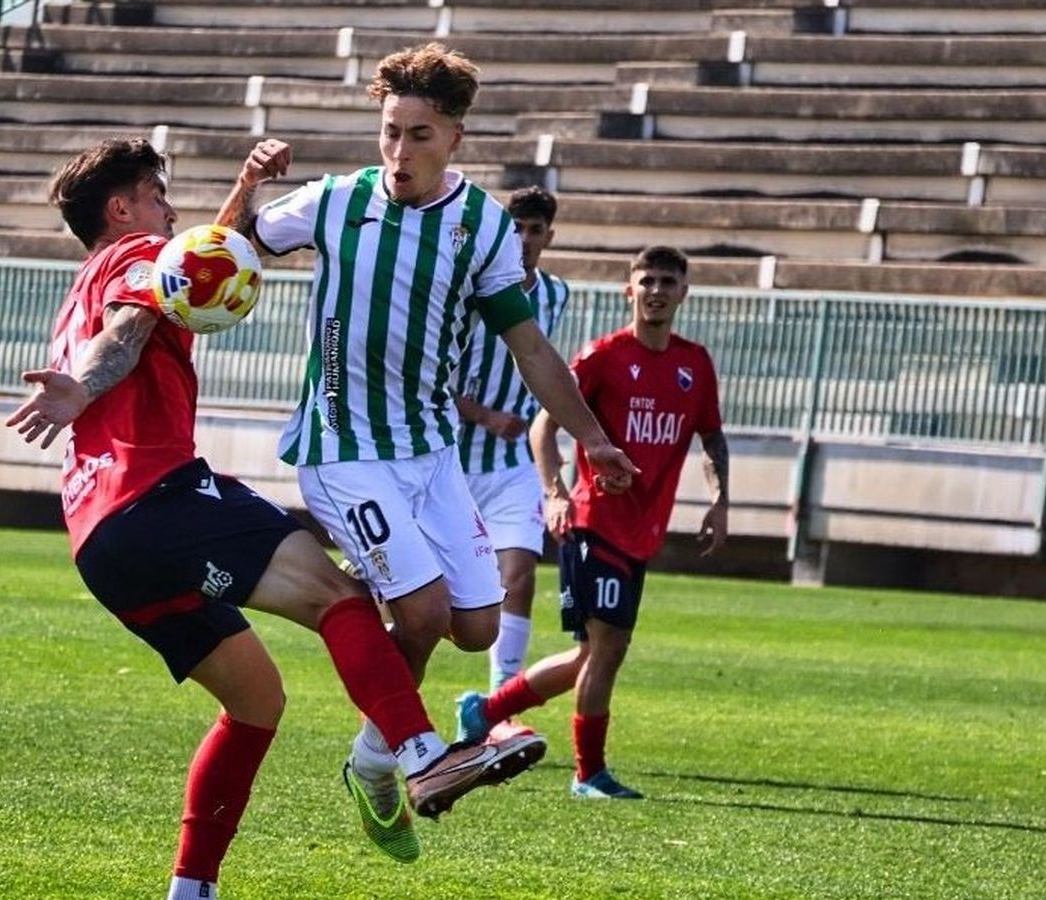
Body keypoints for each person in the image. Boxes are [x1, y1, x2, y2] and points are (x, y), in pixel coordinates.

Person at [5, 138, 525, 897]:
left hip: (101, 542)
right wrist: (84, 390)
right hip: (160, 497)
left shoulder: (90, 277)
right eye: (156, 194)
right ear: (122, 210)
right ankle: (420, 755)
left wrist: (245, 191)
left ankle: (193, 889)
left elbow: (192, 273)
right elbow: (128, 332)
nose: (170, 212)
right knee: (340, 597)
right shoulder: (137, 256)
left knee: (257, 701)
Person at [216, 44, 639, 852]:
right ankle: (413, 757)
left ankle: (372, 760)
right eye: (388, 132)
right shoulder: (335, 202)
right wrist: (248, 183)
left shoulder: (481, 225)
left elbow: (531, 347)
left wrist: (594, 439)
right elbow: (221, 254)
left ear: (455, 139)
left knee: (474, 628)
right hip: (341, 446)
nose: (398, 152)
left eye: (418, 135)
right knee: (423, 609)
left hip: (430, 453)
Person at [454, 245, 731, 800]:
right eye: (646, 280)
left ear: (683, 293)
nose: (656, 290)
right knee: (608, 649)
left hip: (642, 532)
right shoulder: (604, 356)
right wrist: (555, 493)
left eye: (667, 282)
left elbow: (712, 436)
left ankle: (484, 710)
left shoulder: (694, 364)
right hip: (593, 521)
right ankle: (589, 774)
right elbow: (542, 428)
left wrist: (720, 500)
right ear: (629, 290)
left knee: (590, 653)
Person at [452, 186, 570, 718]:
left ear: (549, 236)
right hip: (449, 460)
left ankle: (501, 702)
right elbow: (428, 378)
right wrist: (483, 415)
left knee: (519, 573)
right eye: (516, 228)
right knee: (420, 596)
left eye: (534, 230)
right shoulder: (468, 294)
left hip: (512, 463)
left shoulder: (556, 295)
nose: (524, 239)